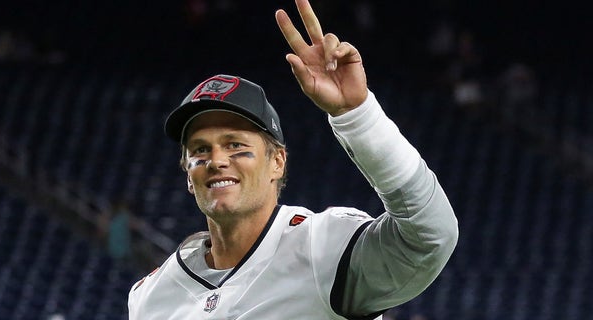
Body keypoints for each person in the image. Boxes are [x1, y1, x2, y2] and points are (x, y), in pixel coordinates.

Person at [127, 0, 458, 319]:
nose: (217, 160)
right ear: (188, 175)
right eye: (200, 150)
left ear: (278, 162)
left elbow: (430, 236)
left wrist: (358, 116)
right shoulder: (150, 296)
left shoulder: (321, 249)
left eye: (235, 144)